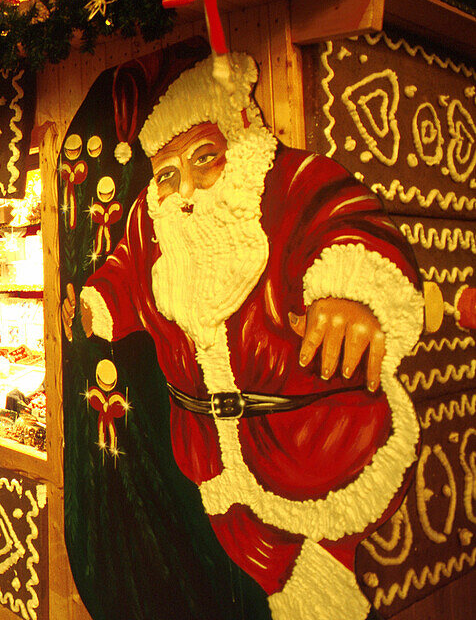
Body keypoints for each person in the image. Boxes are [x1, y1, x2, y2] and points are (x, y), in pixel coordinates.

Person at [62, 53, 423, 620]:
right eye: (169, 174)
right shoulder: (155, 221)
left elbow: (346, 220)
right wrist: (101, 300)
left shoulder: (289, 183)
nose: (186, 190)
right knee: (261, 563)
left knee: (328, 567)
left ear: (242, 142)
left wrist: (349, 292)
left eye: (205, 159)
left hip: (315, 436)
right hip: (211, 451)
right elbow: (129, 264)